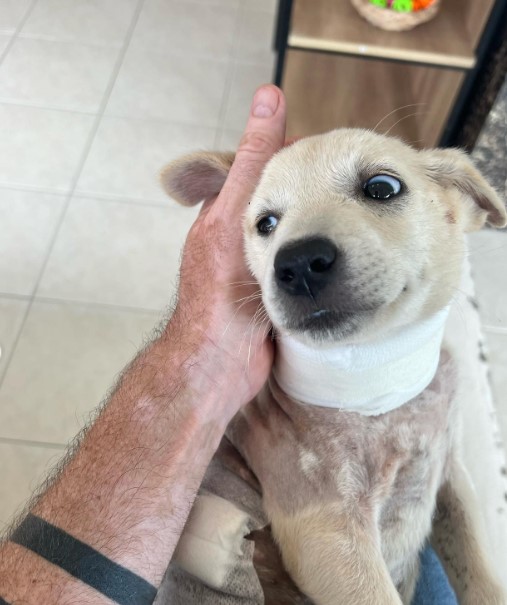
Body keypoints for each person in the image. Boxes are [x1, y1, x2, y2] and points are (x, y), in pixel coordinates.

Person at [0, 85, 456, 605]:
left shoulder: (435, 369)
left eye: (377, 190)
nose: (298, 256)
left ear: (458, 202)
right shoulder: (277, 418)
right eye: (267, 223)